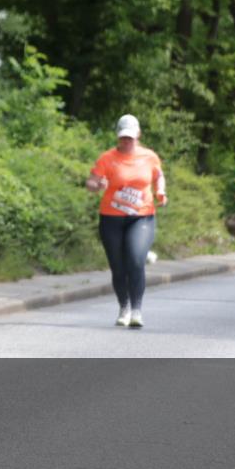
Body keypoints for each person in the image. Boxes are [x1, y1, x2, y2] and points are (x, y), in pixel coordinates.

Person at [85, 114, 167, 328]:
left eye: (130, 138)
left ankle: (137, 310)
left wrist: (161, 191)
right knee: (118, 266)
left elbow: (158, 176)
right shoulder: (107, 158)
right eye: (123, 138)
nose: (126, 141)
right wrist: (97, 186)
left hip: (141, 217)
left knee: (135, 260)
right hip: (111, 218)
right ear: (117, 136)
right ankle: (124, 307)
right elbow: (91, 182)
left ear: (138, 135)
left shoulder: (149, 157)